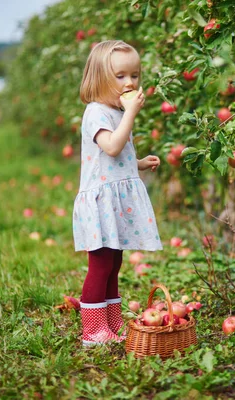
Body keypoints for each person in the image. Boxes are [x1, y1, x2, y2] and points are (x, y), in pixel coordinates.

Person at [73, 40, 162, 346]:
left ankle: (111, 323)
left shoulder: (114, 111)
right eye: (121, 76)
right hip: (101, 203)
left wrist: (137, 163)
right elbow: (111, 147)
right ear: (100, 78)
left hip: (115, 201)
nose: (130, 82)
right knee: (100, 265)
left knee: (114, 264)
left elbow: (115, 158)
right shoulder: (97, 112)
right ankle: (93, 330)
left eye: (135, 75)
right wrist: (131, 114)